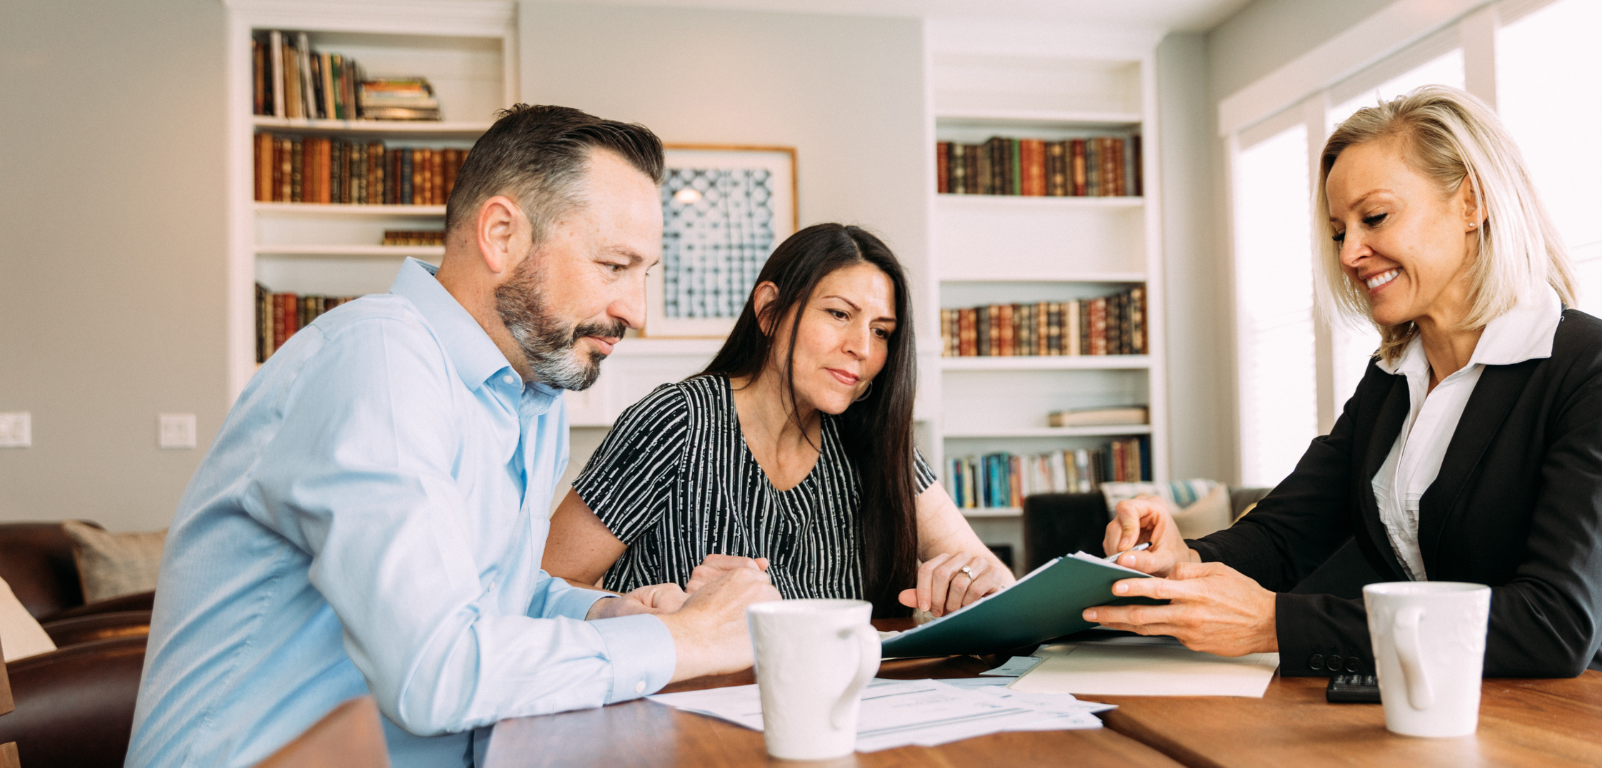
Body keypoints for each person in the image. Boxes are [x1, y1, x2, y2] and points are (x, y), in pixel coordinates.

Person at [127, 105, 781, 768]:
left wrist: (617, 615)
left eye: (646, 274)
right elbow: (435, 673)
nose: (635, 311)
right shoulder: (377, 360)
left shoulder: (531, 389)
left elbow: (498, 591)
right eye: (615, 266)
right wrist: (690, 640)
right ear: (500, 234)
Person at [1088, 85, 1602, 680]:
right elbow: (1288, 533)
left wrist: (1274, 625)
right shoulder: (1393, 378)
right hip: (1438, 709)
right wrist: (1183, 558)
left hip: (1580, 723)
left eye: (1375, 217)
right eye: (1339, 232)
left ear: (1472, 203)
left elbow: (1553, 625)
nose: (1350, 253)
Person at [542, 223, 1014, 620]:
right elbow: (548, 583)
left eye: (881, 332)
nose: (863, 348)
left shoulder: (875, 440)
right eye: (838, 313)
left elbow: (994, 580)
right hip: (681, 708)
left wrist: (984, 582)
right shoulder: (675, 420)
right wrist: (663, 612)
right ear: (769, 311)